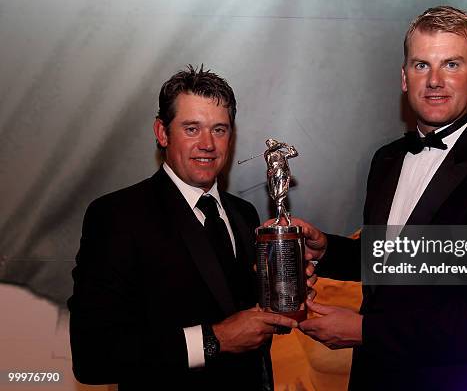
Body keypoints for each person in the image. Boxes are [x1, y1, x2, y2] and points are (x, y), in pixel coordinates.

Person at [295, 6, 467, 390]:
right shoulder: (386, 160)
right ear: (404, 77)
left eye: (451, 64)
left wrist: (367, 331)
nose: (434, 80)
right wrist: (326, 250)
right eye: (421, 65)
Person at [68, 65, 298, 390]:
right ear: (162, 132)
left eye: (219, 129)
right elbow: (93, 356)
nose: (208, 144)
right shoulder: (117, 216)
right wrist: (215, 339)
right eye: (192, 128)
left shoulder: (244, 214)